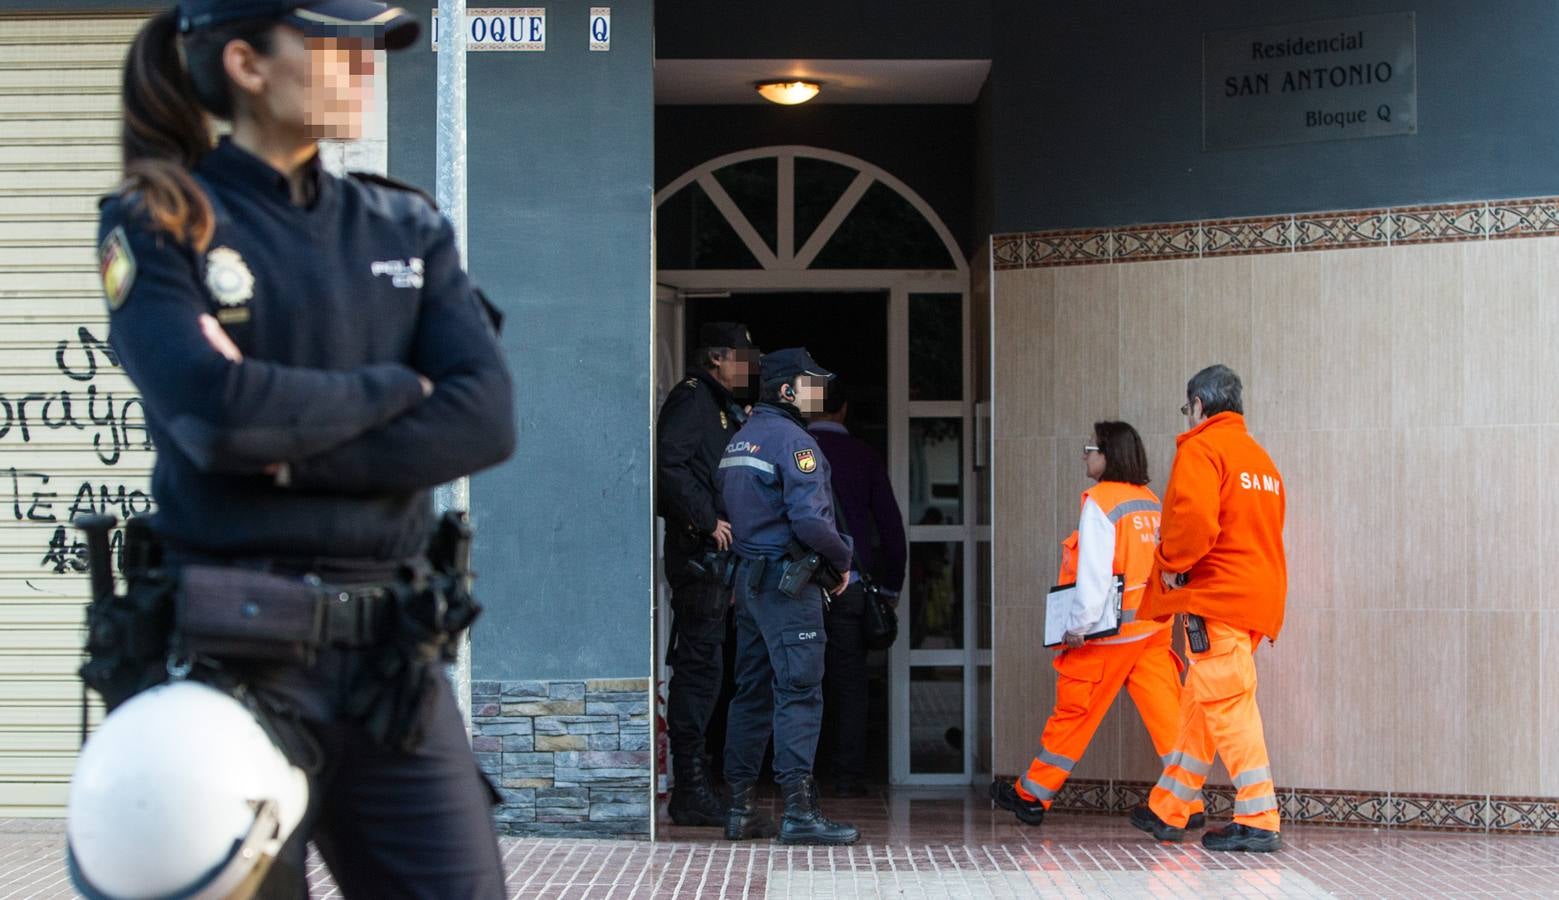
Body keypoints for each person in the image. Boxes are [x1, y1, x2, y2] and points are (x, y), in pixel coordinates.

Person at [88, 2, 515, 895]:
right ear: (246, 63)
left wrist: (280, 449)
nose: (365, 64)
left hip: (392, 664)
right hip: (225, 658)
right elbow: (218, 415)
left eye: (374, 44)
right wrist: (398, 390)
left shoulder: (406, 227)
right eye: (333, 43)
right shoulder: (164, 221)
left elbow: (482, 420)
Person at [989, 422, 1203, 828]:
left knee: (1074, 713)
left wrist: (1077, 627)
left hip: (1108, 636)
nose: (1085, 455)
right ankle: (1187, 803)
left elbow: (1094, 575)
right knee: (1168, 716)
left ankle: (1032, 795)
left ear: (1108, 455)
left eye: (1090, 448)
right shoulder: (1149, 502)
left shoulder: (1100, 503)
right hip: (1153, 629)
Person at [1130, 365, 1287, 853]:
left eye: (1187, 408)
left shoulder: (1202, 448)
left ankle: (1259, 816)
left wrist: (1170, 563)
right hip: (1253, 600)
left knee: (1230, 705)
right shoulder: (1259, 458)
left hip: (1215, 597)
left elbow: (1193, 523)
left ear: (1198, 404)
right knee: (1201, 704)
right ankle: (1169, 808)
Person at [717, 348, 859, 845]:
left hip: (750, 586)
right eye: (810, 383)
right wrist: (842, 559)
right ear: (785, 390)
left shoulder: (741, 440)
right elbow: (810, 522)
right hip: (787, 586)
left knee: (751, 693)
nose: (819, 392)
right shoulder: (796, 443)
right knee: (799, 692)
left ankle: (741, 810)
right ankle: (799, 814)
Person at [655, 322, 757, 826]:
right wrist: (704, 519)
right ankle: (690, 790)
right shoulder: (693, 399)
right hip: (700, 560)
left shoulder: (721, 406)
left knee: (711, 672)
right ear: (717, 358)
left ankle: (699, 784)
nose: (750, 365)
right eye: (743, 356)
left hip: (722, 565)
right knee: (698, 674)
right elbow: (669, 467)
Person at [807, 383, 906, 797]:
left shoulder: (795, 450)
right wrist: (889, 586)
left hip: (799, 585)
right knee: (849, 684)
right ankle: (847, 778)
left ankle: (796, 778)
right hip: (851, 586)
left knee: (799, 682)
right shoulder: (863, 456)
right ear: (844, 410)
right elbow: (890, 528)